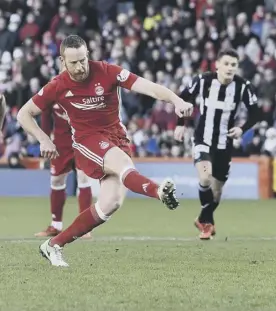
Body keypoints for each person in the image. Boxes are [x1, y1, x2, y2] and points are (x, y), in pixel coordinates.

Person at [17, 35, 193, 267]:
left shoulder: (107, 71)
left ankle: (53, 246)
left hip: (116, 137)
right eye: (74, 63)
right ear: (62, 61)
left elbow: (146, 86)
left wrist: (175, 100)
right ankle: (159, 191)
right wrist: (43, 139)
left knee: (110, 203)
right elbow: (23, 114)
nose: (80, 67)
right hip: (87, 140)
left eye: (83, 60)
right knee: (122, 165)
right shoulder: (57, 85)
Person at [174, 49, 260, 240]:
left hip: (225, 143)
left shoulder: (243, 87)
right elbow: (183, 98)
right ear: (217, 65)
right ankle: (206, 225)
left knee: (217, 191)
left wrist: (241, 129)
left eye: (233, 65)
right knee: (205, 178)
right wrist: (180, 124)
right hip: (202, 138)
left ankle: (204, 219)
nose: (230, 68)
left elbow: (256, 113)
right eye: (226, 64)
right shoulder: (203, 80)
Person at [35, 68, 93, 238]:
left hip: (83, 140)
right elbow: (45, 115)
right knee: (56, 179)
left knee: (83, 177)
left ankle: (85, 227)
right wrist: (44, 139)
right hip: (61, 144)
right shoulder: (53, 88)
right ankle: (56, 225)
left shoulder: (85, 88)